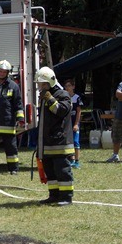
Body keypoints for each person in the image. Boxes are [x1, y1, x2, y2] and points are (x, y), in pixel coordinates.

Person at [35, 67, 74, 206]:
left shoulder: (63, 94)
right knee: (50, 171)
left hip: (60, 142)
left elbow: (61, 111)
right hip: (48, 142)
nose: (41, 87)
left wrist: (50, 99)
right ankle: (54, 195)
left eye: (43, 84)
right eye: (40, 84)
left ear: (51, 82)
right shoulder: (44, 96)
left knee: (62, 170)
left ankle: (66, 197)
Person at [0, 60, 25, 175]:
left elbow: (18, 104)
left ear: (8, 73)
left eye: (4, 72)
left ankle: (13, 169)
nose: (2, 73)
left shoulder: (13, 86)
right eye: (0, 71)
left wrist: (20, 119)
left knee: (11, 149)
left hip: (7, 124)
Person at [106, 80, 122, 163]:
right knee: (116, 135)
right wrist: (121, 97)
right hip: (119, 115)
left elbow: (120, 96)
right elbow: (117, 94)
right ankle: (115, 155)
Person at [64, 79, 83, 168]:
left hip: (74, 123)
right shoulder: (64, 97)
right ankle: (70, 159)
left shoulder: (76, 98)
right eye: (66, 86)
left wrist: (76, 124)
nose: (67, 88)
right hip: (66, 124)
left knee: (75, 142)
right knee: (68, 142)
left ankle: (77, 161)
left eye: (69, 86)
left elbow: (79, 112)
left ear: (73, 87)